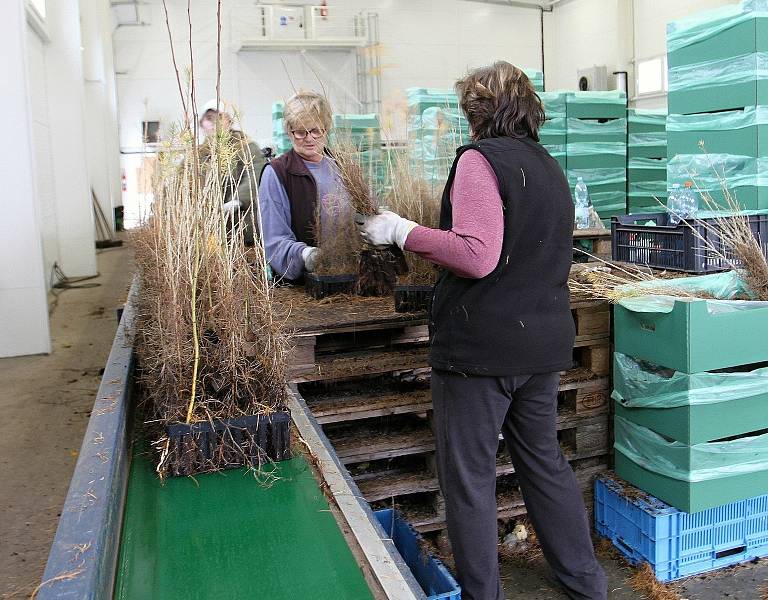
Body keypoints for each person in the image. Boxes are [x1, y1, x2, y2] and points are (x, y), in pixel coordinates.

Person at [357, 62, 607, 600]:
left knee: (469, 481)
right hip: (540, 348)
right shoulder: (548, 167)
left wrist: (402, 230)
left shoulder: (478, 161)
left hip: (481, 353)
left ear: (476, 113)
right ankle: (587, 584)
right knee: (544, 464)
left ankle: (481, 596)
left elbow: (477, 253)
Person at [258, 91, 343, 282]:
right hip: (305, 285)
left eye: (316, 130)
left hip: (349, 274)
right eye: (300, 132)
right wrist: (305, 255)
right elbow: (273, 239)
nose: (309, 138)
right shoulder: (277, 173)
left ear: (326, 129)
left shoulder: (343, 166)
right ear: (289, 132)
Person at [198, 99, 266, 244]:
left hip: (242, 230)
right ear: (202, 124)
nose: (214, 123)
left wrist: (238, 199)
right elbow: (182, 181)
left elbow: (256, 172)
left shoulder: (245, 146)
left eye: (219, 117)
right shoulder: (197, 155)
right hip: (207, 235)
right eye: (209, 118)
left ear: (228, 121)